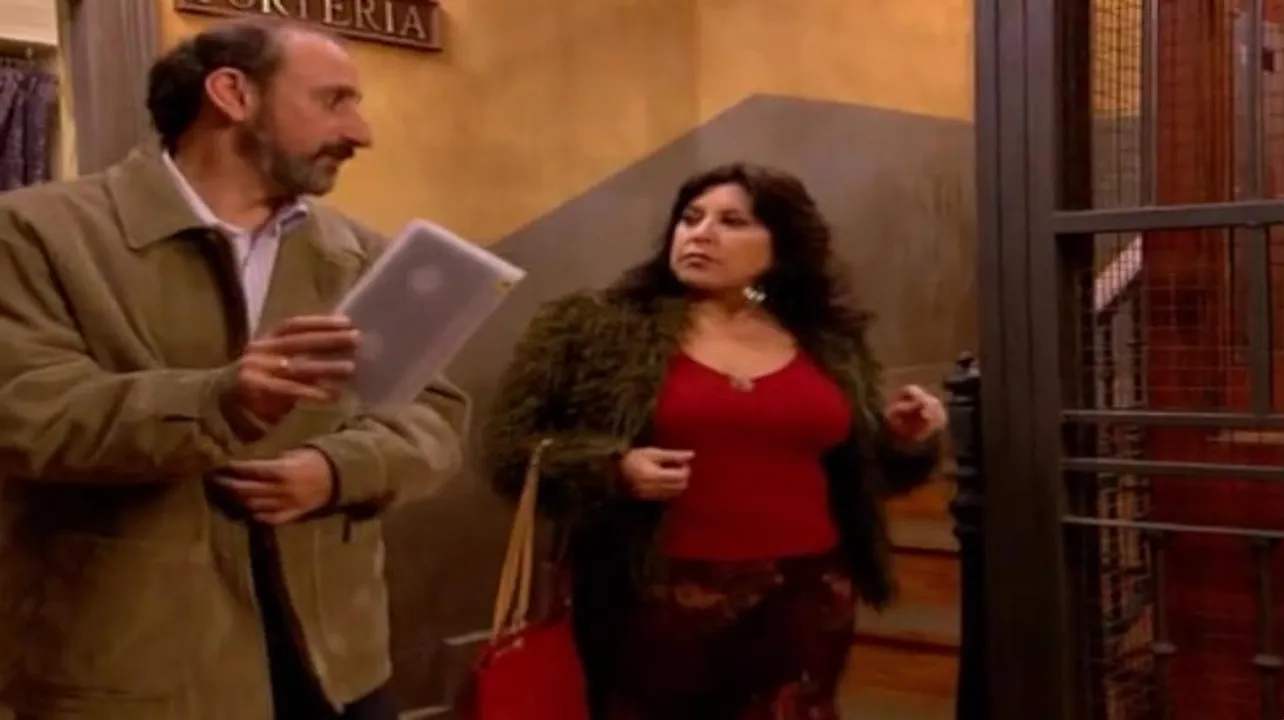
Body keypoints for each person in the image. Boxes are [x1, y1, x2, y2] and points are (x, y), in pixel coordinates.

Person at [0, 18, 467, 720]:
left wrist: (337, 469)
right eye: (334, 100)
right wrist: (217, 402)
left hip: (334, 664)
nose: (361, 132)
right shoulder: (33, 233)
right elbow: (24, 410)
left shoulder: (366, 256)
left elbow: (435, 416)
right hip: (126, 665)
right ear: (232, 94)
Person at [483, 162, 948, 719]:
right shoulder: (595, 325)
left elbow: (864, 474)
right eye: (690, 218)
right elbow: (509, 451)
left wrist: (901, 438)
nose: (701, 234)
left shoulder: (825, 338)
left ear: (782, 243)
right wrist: (613, 469)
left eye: (732, 222)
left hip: (805, 595)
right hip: (652, 598)